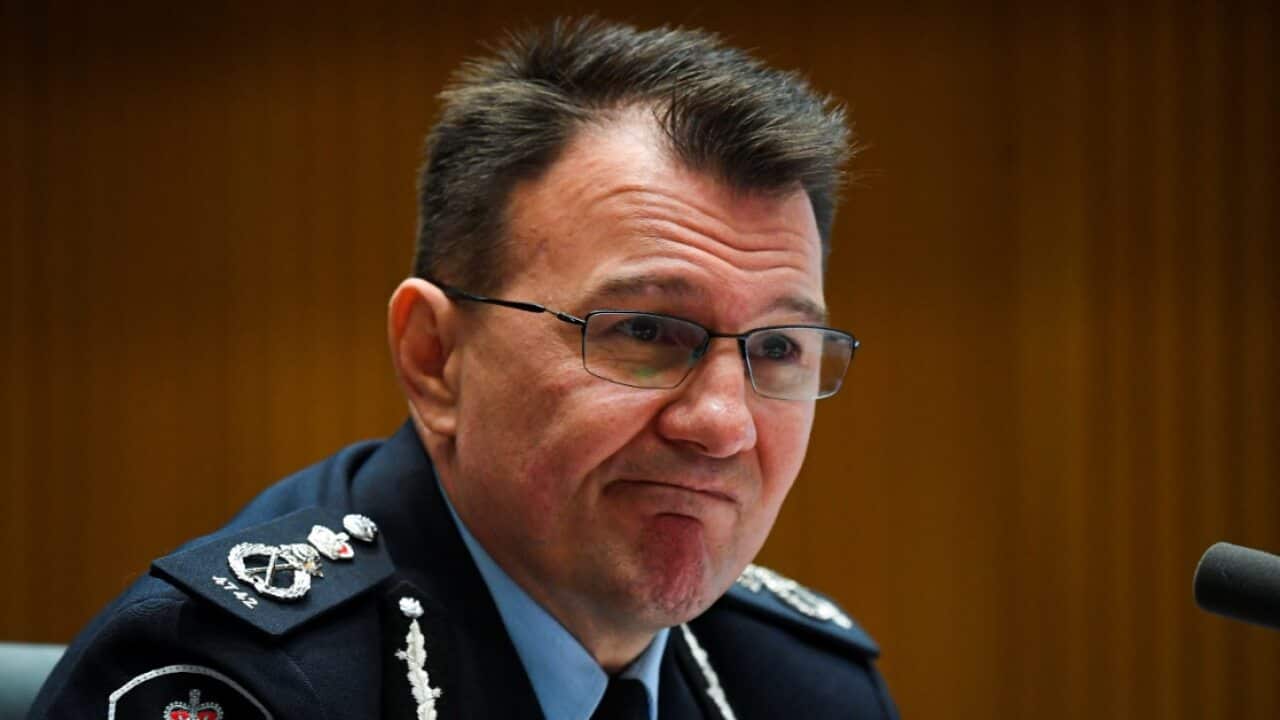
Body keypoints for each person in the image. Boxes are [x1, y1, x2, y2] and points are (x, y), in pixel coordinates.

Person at [31, 17, 897, 720]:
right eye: (644, 329)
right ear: (434, 358)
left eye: (778, 348)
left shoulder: (804, 686)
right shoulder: (233, 681)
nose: (723, 425)